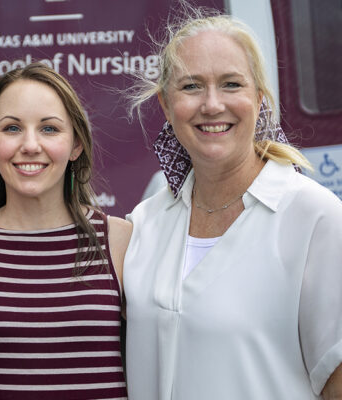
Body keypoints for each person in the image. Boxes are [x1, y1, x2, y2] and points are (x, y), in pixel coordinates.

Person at [124, 6, 342, 400]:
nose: (211, 104)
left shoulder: (315, 219)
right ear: (165, 105)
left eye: (230, 84)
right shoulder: (147, 223)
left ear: (259, 99)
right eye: (191, 86)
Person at [0, 62, 131, 400]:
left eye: (49, 129)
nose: (31, 145)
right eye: (12, 129)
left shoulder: (120, 243)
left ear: (76, 143)